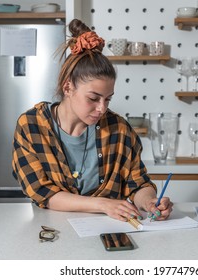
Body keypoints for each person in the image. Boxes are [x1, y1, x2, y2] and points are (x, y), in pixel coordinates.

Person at [12, 18, 173, 222]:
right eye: (93, 98)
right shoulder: (31, 125)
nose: (102, 108)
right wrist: (103, 204)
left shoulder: (119, 129)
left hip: (109, 230)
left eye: (108, 99)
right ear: (68, 87)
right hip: (52, 230)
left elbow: (137, 183)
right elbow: (41, 191)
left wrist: (149, 202)